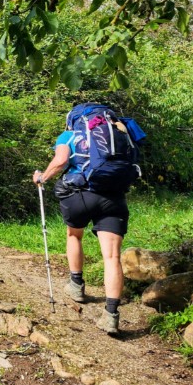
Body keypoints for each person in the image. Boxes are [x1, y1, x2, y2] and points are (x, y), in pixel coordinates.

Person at [33, 121, 128, 336]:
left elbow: (61, 160)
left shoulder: (68, 135)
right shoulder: (119, 134)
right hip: (113, 198)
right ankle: (111, 315)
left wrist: (41, 177)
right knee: (112, 257)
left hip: (80, 195)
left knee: (74, 235)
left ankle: (76, 285)